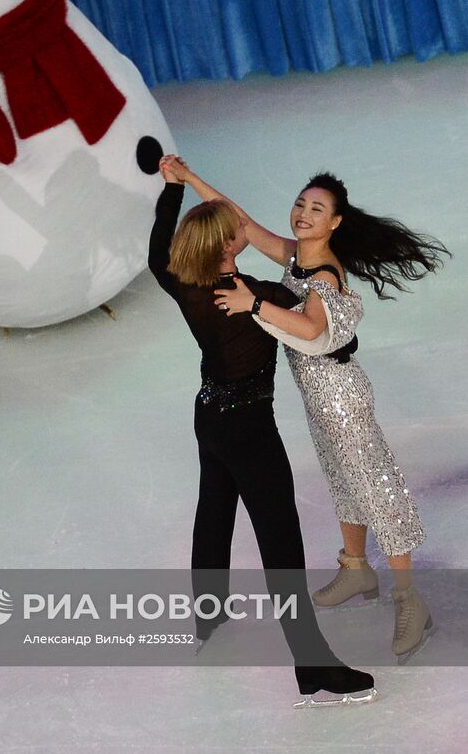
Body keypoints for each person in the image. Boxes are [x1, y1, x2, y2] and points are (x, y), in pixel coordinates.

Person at [164, 156, 450, 663]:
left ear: (335, 222)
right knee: (342, 481)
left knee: (377, 489)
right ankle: (356, 568)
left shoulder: (324, 274)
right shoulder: (296, 255)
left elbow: (313, 329)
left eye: (316, 209)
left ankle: (411, 600)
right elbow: (239, 222)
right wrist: (188, 180)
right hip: (316, 400)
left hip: (342, 399)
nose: (302, 213)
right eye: (300, 203)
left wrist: (253, 304)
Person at [149, 156, 376, 706]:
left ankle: (206, 619)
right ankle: (312, 664)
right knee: (281, 544)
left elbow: (158, 251)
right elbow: (316, 324)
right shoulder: (254, 295)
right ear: (227, 247)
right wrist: (343, 322)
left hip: (210, 417)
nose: (242, 232)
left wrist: (172, 190)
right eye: (234, 233)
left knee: (214, 510)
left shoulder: (186, 281)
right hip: (249, 429)